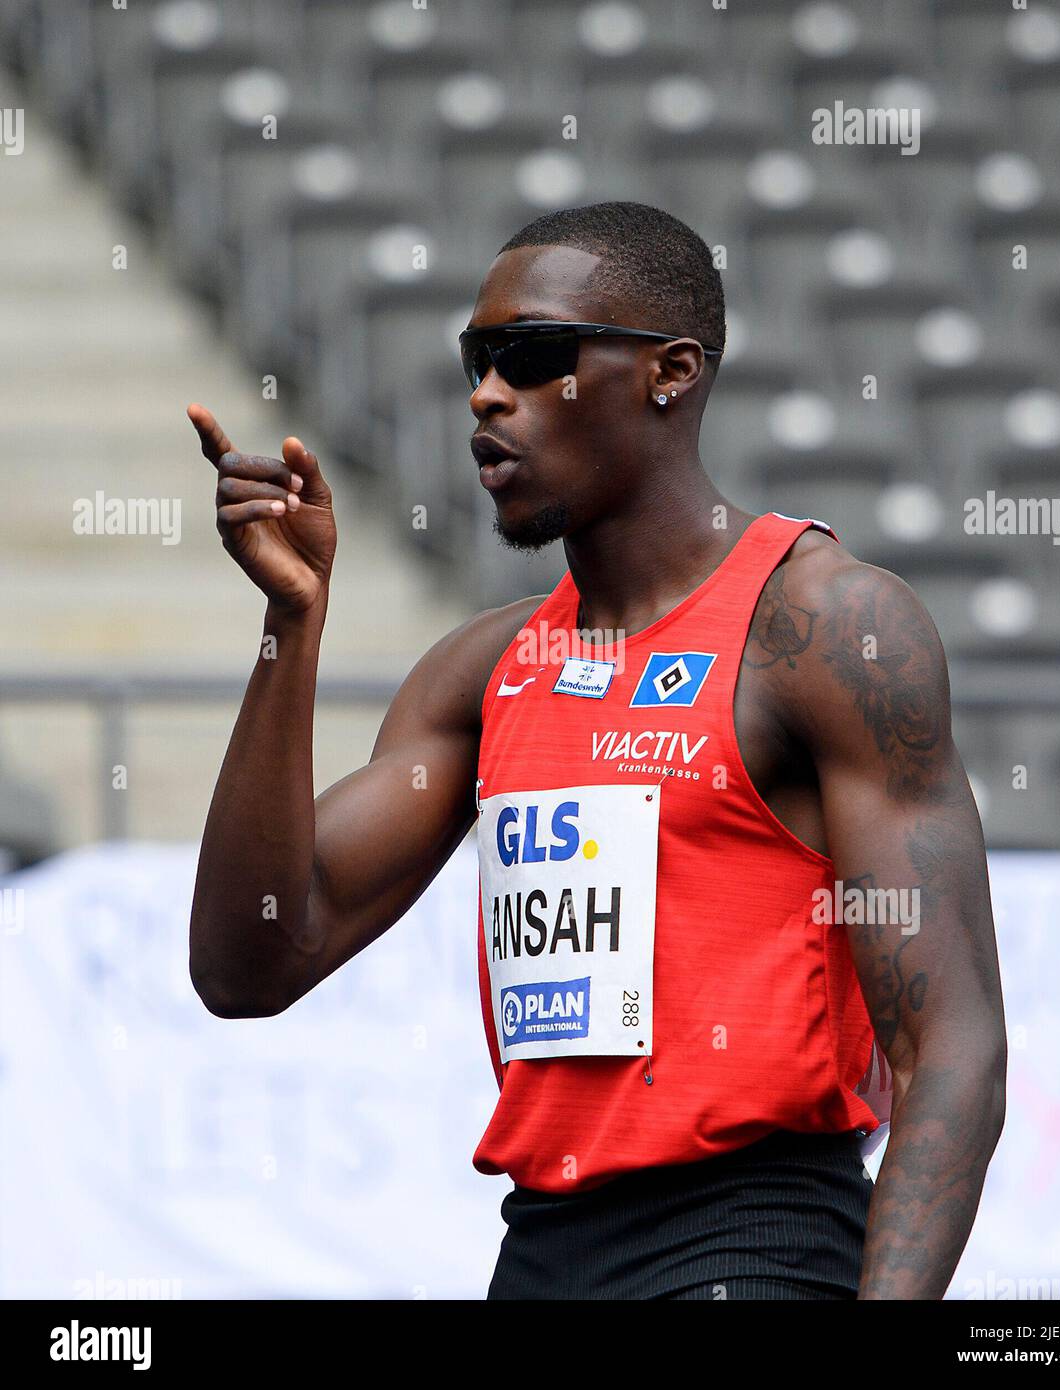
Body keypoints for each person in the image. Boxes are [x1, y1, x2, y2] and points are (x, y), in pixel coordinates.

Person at [187, 201, 1006, 1300]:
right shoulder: (486, 672)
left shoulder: (825, 632)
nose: (485, 392)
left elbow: (950, 1054)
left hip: (748, 1242)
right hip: (541, 1254)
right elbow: (249, 964)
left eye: (530, 355)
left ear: (668, 372)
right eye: (476, 360)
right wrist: (291, 623)